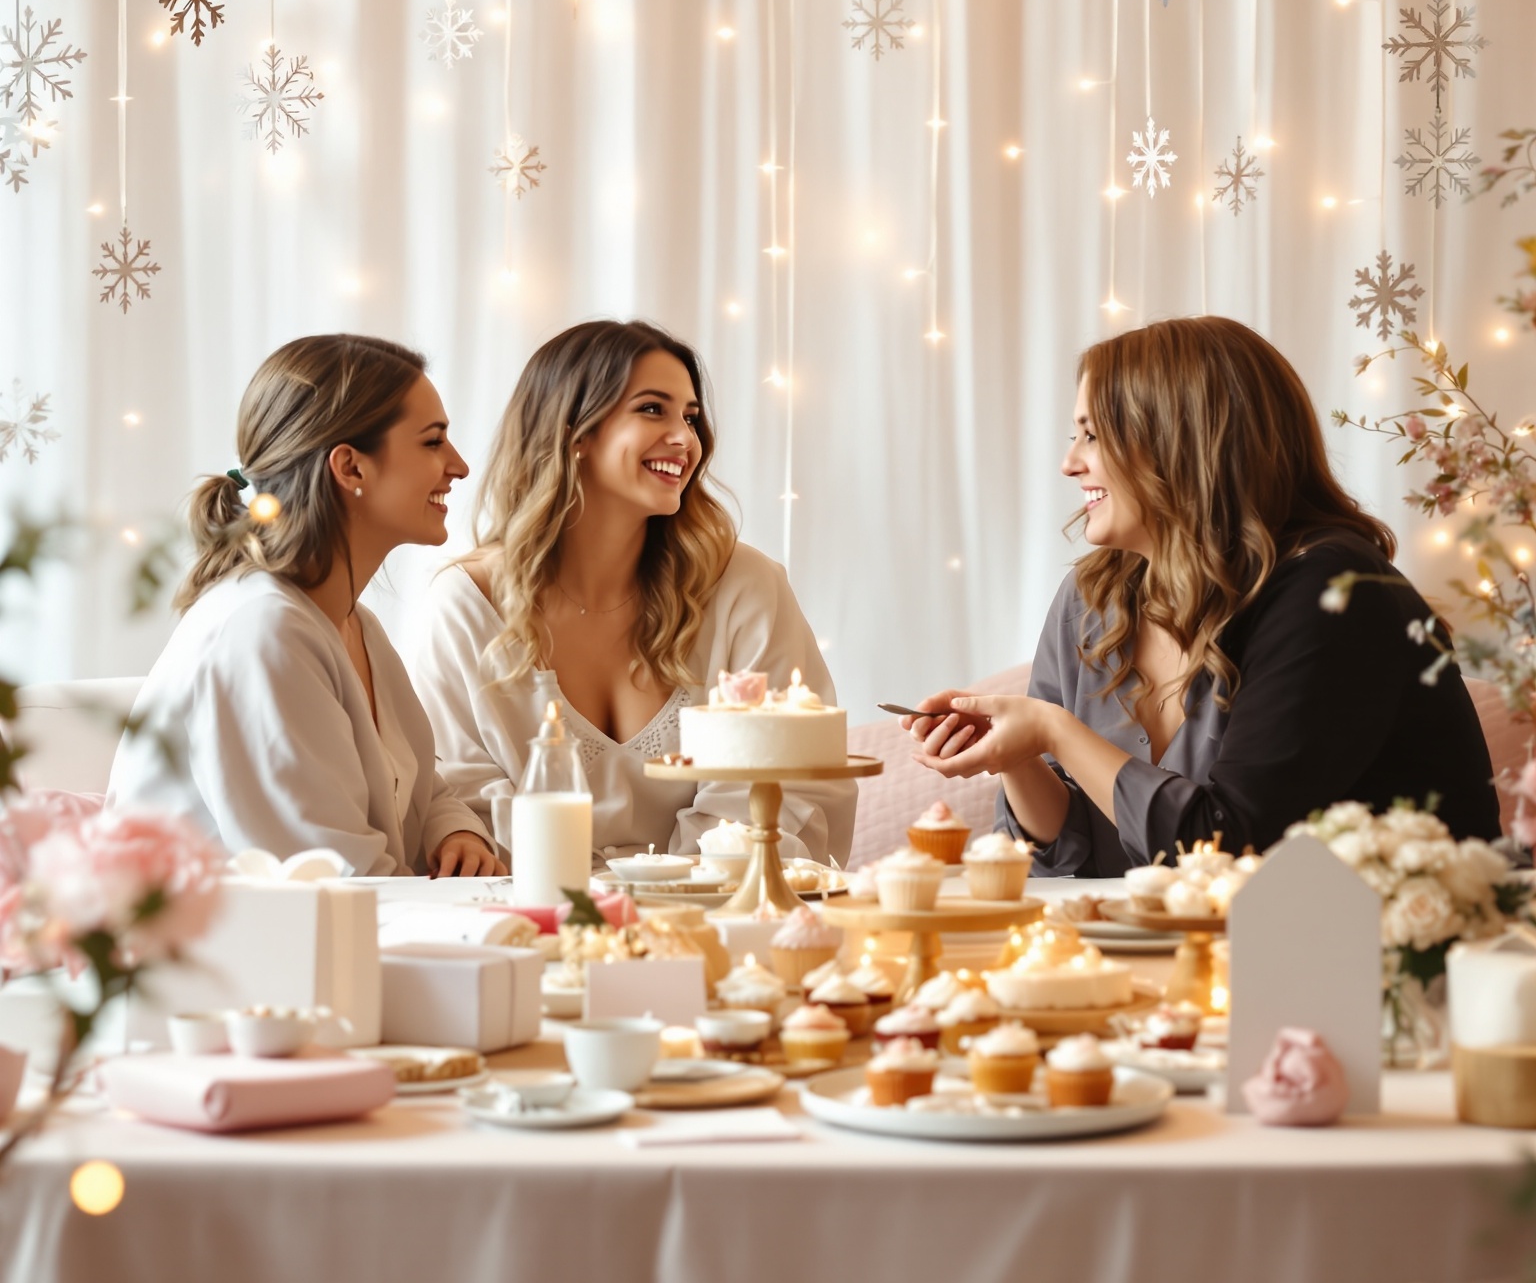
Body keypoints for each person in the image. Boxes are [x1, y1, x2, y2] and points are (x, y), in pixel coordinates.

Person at [909, 315, 1499, 874]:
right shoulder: (1092, 598)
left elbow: (1231, 848)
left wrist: (1055, 730)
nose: (1069, 464)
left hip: (1363, 959)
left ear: (1178, 441)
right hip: (1175, 957)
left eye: (1092, 435)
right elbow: (1070, 856)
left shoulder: (1335, 594)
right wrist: (1017, 756)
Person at [412, 319, 855, 863]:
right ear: (575, 431)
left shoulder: (746, 588)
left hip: (712, 925)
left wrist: (659, 905)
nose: (685, 439)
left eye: (690, 417)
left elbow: (781, 790)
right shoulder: (467, 605)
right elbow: (460, 804)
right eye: (653, 409)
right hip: (532, 922)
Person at [108, 336, 498, 878]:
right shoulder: (262, 633)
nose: (459, 466)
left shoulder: (355, 625)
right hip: (232, 953)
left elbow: (418, 785)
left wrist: (453, 829)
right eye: (433, 443)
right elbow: (332, 881)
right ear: (351, 468)